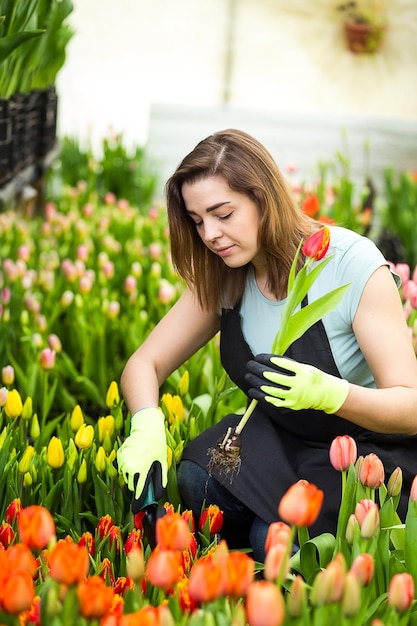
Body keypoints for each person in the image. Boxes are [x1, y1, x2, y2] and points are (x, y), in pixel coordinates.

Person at [116, 129, 417, 562]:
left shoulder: (349, 265)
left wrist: (330, 393)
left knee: (269, 540)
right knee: (197, 478)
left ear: (264, 198)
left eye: (223, 213)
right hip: (278, 437)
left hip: (355, 449)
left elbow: (408, 410)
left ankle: (270, 534)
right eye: (198, 220)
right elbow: (145, 362)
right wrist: (147, 423)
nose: (210, 235)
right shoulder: (228, 273)